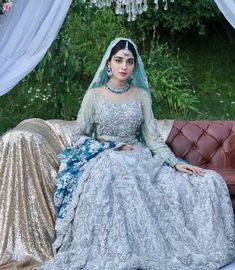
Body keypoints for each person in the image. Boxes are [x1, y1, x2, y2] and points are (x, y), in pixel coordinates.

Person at [35, 37, 235, 270]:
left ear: (134, 66)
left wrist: (174, 163)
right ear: (108, 63)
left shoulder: (141, 95)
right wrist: (110, 147)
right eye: (119, 60)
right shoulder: (94, 96)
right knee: (115, 168)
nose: (124, 66)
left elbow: (151, 136)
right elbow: (80, 136)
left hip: (138, 157)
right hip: (106, 157)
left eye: (129, 62)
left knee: (206, 181)